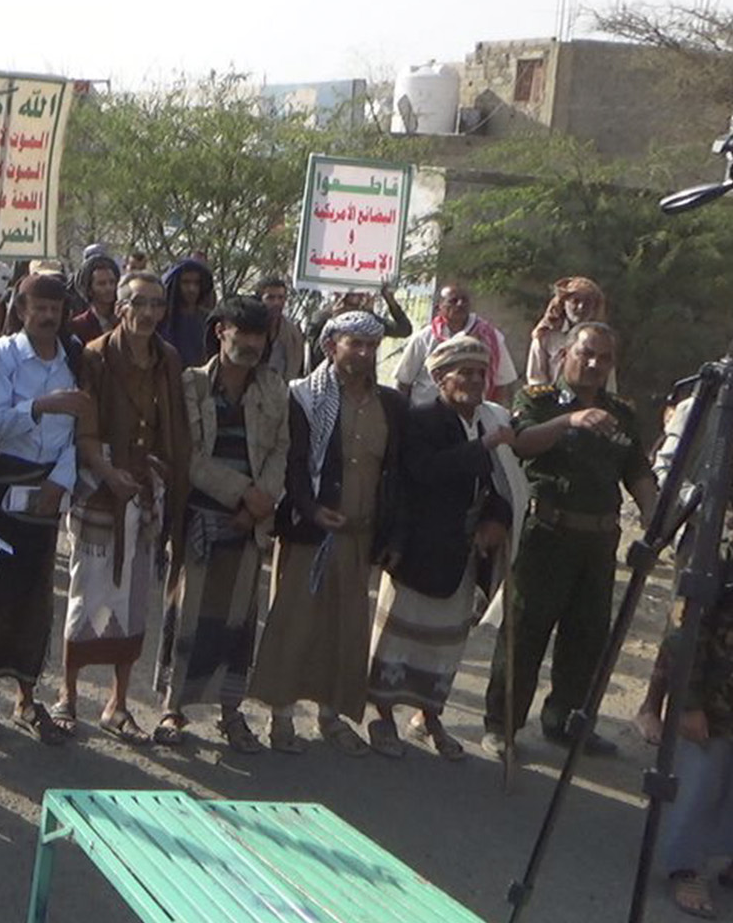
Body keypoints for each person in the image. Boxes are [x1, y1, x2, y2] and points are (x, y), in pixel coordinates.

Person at [483, 322, 655, 760]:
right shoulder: (538, 401)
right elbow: (522, 445)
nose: (595, 364)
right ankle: (502, 725)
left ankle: (566, 720)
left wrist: (655, 526)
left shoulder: (622, 413)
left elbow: (637, 473)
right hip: (548, 535)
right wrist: (569, 420)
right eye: (587, 354)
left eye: (604, 357)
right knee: (524, 633)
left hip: (598, 544)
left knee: (587, 637)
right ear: (565, 356)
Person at [249, 311, 408, 757]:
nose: (363, 353)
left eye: (370, 345)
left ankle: (331, 717)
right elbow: (293, 463)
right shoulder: (303, 398)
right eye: (353, 343)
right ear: (329, 347)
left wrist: (390, 535)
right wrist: (311, 509)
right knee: (295, 621)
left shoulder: (391, 405)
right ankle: (280, 718)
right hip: (309, 531)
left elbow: (395, 474)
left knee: (346, 628)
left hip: (360, 536)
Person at [364, 334, 522, 761]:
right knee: (397, 640)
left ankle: (430, 718)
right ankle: (382, 718)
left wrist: (497, 520)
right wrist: (482, 448)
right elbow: (424, 473)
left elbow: (503, 486)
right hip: (418, 548)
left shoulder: (489, 420)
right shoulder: (422, 420)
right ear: (438, 378)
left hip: (463, 554)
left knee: (446, 646)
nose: (473, 381)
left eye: (479, 373)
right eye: (463, 373)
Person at [58, 272, 190, 739]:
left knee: (133, 601)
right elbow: (85, 427)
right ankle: (68, 696)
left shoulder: (167, 359)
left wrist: (162, 480)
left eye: (157, 304)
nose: (149, 313)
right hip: (100, 485)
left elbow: (172, 429)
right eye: (140, 303)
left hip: (144, 489)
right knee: (86, 591)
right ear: (121, 308)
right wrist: (108, 473)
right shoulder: (95, 355)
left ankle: (117, 702)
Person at [156, 297, 290, 753]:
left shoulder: (275, 389)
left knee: (237, 623)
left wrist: (260, 501)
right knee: (189, 617)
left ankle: (232, 715)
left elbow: (281, 452)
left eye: (259, 336)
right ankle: (174, 709)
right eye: (243, 333)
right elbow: (186, 455)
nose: (251, 344)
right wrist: (241, 492)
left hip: (249, 524)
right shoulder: (191, 384)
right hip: (202, 517)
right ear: (221, 332)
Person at [0, 273, 87, 745]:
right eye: (37, 308)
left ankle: (26, 696)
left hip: (47, 490)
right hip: (1, 483)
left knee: (35, 596)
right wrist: (41, 405)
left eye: (54, 310)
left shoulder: (74, 358)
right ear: (20, 310)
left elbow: (83, 428)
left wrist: (62, 482)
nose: (46, 316)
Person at [655, 590, 733, 919]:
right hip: (717, 697)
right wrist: (687, 701)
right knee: (701, 779)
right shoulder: (722, 557)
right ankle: (686, 867)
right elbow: (686, 626)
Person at [396, 283, 519, 406]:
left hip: (474, 415)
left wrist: (496, 416)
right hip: (425, 416)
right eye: (453, 301)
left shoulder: (490, 337)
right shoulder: (424, 338)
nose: (460, 304)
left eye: (464, 300)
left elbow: (504, 383)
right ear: (439, 307)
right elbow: (404, 382)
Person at [306, 284, 412, 370]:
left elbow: (404, 330)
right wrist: (336, 321)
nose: (357, 293)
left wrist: (390, 301)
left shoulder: (366, 318)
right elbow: (316, 355)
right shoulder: (322, 317)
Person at [526, 277, 607, 386]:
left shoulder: (602, 339)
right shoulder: (545, 336)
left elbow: (608, 383)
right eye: (575, 301)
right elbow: (536, 380)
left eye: (587, 303)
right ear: (564, 303)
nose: (581, 307)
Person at [158, 258, 216, 368]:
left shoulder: (209, 320)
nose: (192, 289)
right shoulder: (161, 319)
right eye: (185, 282)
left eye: (196, 283)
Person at [255, 276, 307, 381]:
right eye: (270, 298)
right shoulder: (251, 329)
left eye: (281, 297)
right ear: (259, 299)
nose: (276, 303)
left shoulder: (293, 334)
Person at [66, 252, 120, 343]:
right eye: (101, 284)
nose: (109, 288)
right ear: (90, 290)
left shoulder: (123, 320)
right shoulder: (79, 326)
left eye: (112, 282)